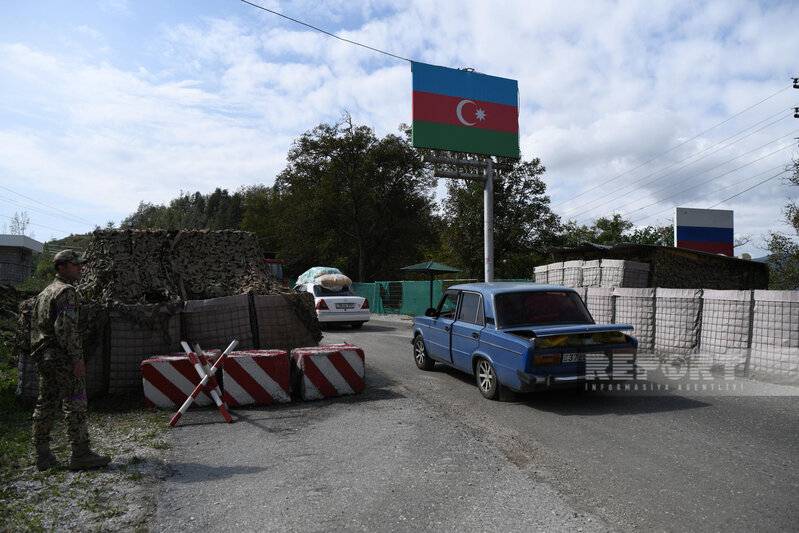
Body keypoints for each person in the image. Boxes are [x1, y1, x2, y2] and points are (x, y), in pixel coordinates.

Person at [30, 249, 111, 471]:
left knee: (46, 403)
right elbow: (65, 329)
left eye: (80, 264)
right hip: (62, 355)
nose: (81, 268)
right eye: (75, 265)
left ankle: (42, 456)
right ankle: (81, 453)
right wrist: (76, 358)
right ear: (61, 268)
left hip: (44, 355)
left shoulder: (45, 292)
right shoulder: (66, 292)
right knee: (75, 402)